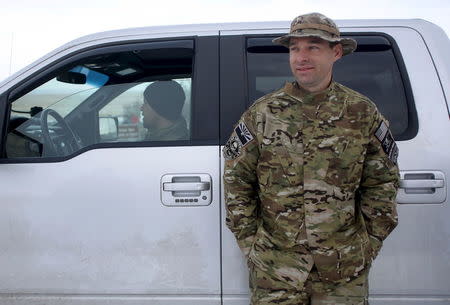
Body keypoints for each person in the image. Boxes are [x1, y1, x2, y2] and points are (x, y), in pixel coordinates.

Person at [223, 12, 399, 305]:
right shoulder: (262, 114)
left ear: (336, 52)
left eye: (313, 47)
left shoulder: (362, 113)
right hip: (275, 270)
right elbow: (236, 182)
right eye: (294, 48)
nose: (301, 56)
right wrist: (251, 245)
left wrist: (369, 244)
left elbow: (382, 183)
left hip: (343, 270)